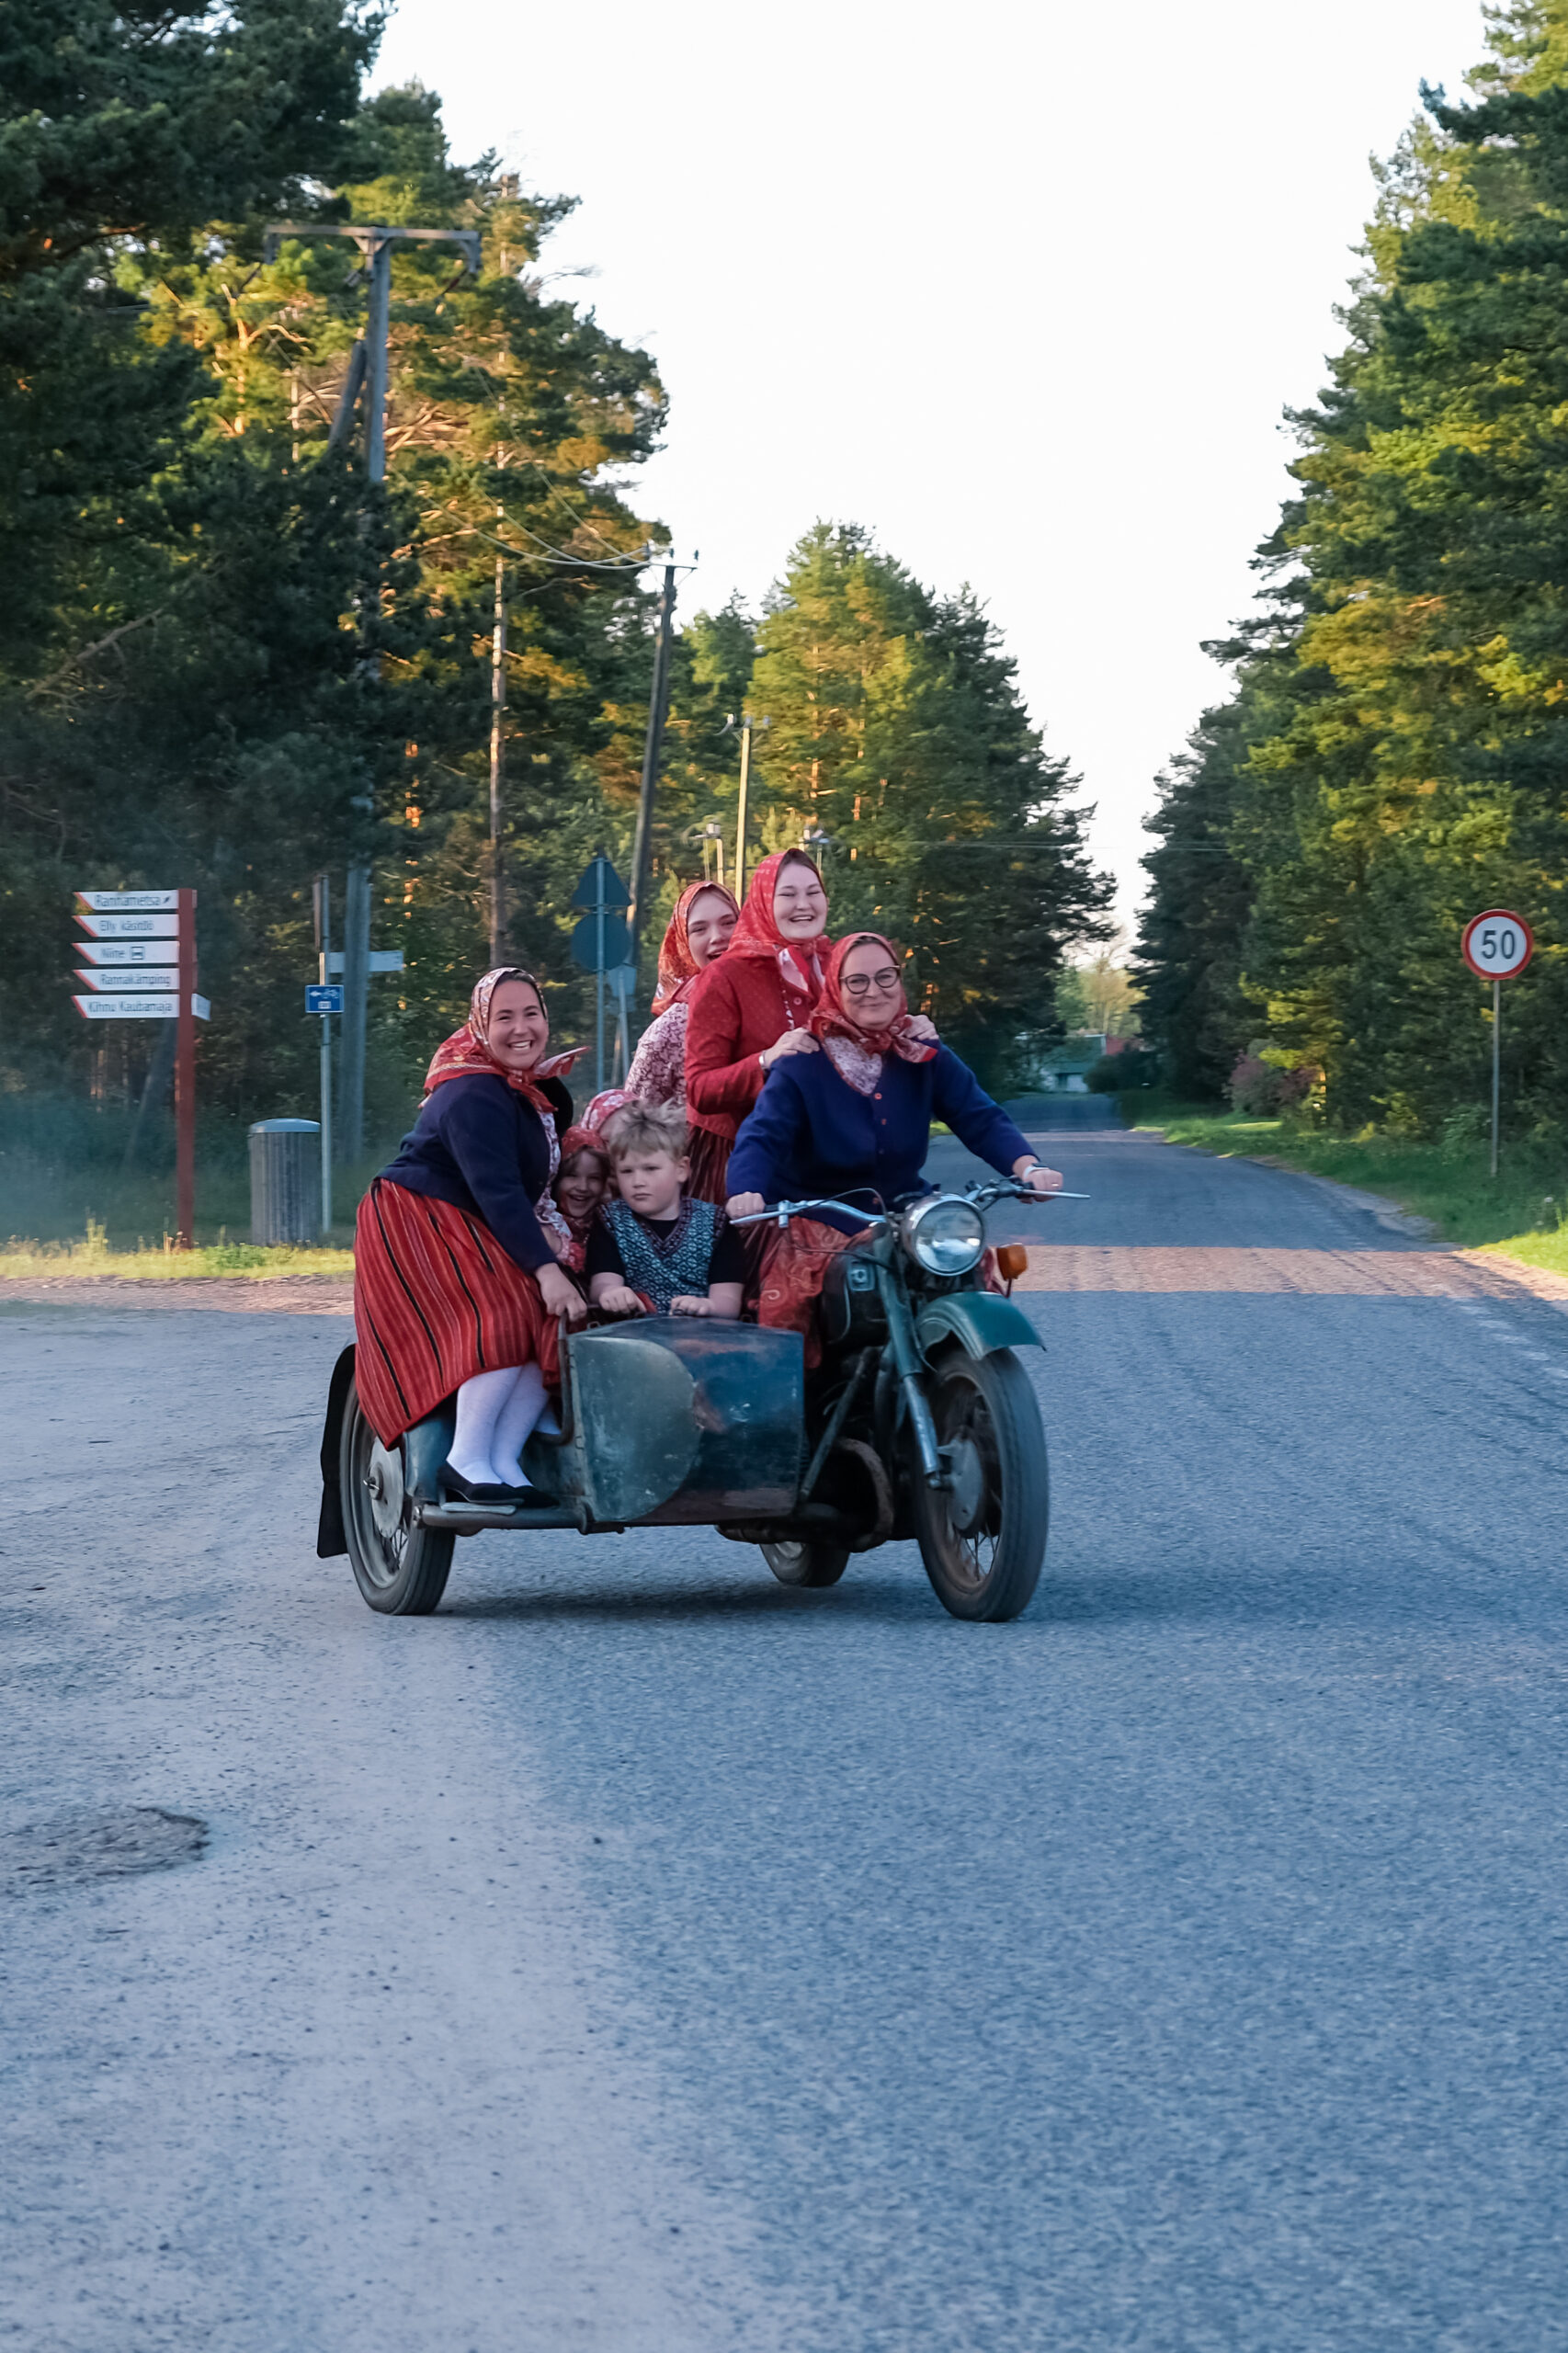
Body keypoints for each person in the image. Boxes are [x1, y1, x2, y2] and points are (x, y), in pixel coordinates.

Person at [724, 932, 1062, 1361]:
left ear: (900, 981)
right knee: (788, 1315)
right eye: (857, 981)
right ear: (835, 987)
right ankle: (793, 1401)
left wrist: (1028, 1168)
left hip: (906, 1212)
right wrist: (746, 1190)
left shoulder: (921, 1052)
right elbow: (763, 1134)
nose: (874, 991)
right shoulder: (803, 1061)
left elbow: (978, 1116)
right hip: (821, 1214)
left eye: (885, 976)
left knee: (966, 1269)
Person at [353, 968, 588, 1502]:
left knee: (543, 1320)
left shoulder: (531, 1090)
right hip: (417, 1216)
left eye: (531, 1013)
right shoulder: (473, 1092)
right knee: (503, 1317)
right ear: (481, 1025)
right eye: (504, 1017)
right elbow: (499, 1192)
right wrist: (546, 1270)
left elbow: (528, 1189)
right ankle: (465, 1457)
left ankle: (502, 1459)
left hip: (469, 1214)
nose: (521, 1028)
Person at [682, 848, 834, 1203]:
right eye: (788, 894)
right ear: (765, 901)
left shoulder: (837, 963)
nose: (803, 904)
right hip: (745, 1165)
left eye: (813, 892)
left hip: (830, 1156)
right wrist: (766, 1060)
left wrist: (904, 1028)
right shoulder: (725, 976)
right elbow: (700, 1089)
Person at [576, 877, 739, 1131]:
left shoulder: (771, 1005)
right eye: (699, 929)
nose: (718, 936)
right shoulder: (670, 1031)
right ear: (683, 943)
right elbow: (630, 1130)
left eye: (728, 923)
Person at [585, 1102, 745, 1320]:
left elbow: (728, 1301)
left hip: (701, 1333)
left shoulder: (716, 1223)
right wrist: (611, 1293)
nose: (637, 1181)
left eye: (650, 1169)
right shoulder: (610, 1220)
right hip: (632, 1334)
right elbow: (603, 1282)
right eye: (627, 1171)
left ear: (681, 1170)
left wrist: (707, 1306)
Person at [551, 1124, 612, 1261]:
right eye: (572, 1175)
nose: (583, 1187)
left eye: (594, 1178)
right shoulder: (543, 1229)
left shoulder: (610, 1228)